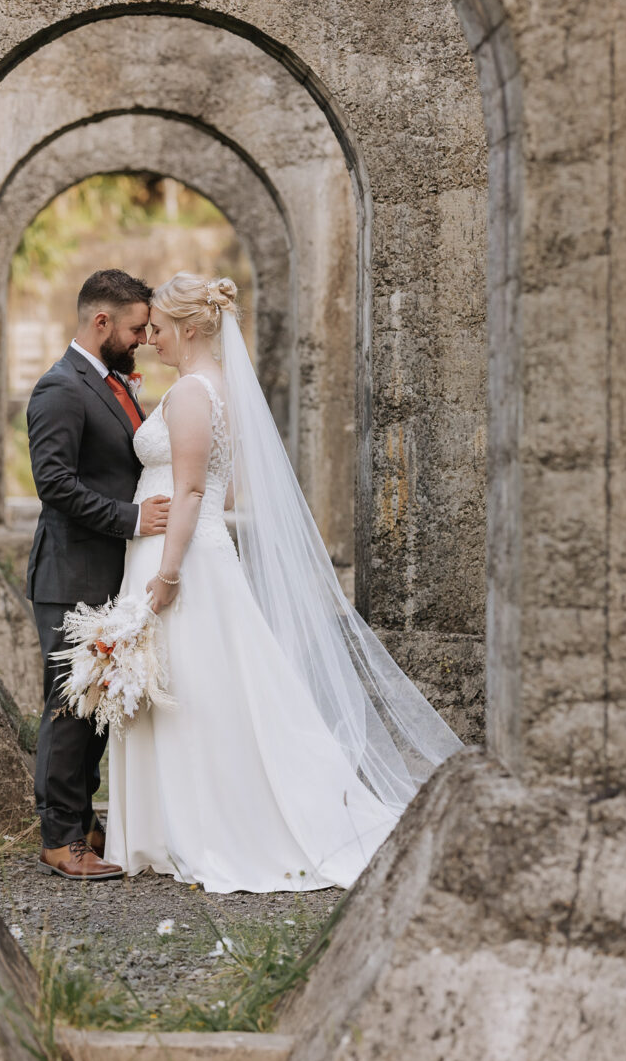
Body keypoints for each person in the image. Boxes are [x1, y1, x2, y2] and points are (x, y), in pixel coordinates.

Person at [104, 273, 463, 893]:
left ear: (189, 328)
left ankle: (200, 826)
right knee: (198, 685)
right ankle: (172, 825)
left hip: (179, 558)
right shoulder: (217, 388)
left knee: (192, 689)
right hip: (188, 548)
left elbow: (191, 490)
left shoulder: (192, 393)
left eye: (158, 328)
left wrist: (165, 575)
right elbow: (226, 485)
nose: (151, 340)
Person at [25, 269, 170, 881]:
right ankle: (60, 839)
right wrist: (134, 519)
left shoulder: (110, 384)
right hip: (71, 574)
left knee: (99, 703)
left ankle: (84, 822)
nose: (142, 338)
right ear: (101, 321)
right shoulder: (61, 387)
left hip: (109, 575)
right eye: (136, 327)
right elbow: (54, 484)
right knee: (69, 706)